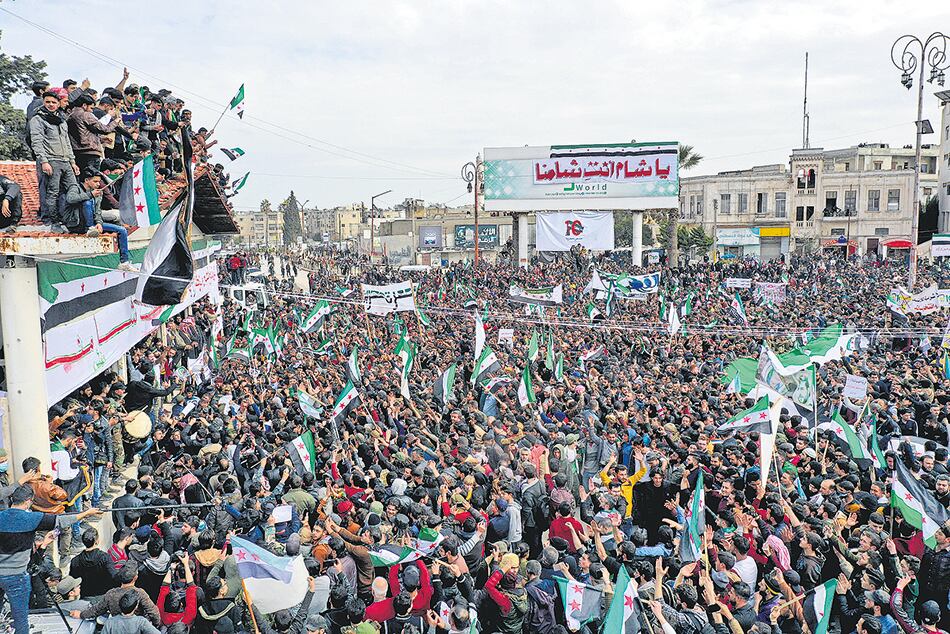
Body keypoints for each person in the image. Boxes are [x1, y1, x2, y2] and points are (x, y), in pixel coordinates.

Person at [0, 485, 100, 634]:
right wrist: (85, 513)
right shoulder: (31, 518)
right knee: (20, 619)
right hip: (17, 578)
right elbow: (61, 521)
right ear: (28, 502)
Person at [63, 168, 135, 271]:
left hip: (93, 224)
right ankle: (90, 228)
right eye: (95, 181)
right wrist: (90, 195)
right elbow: (70, 198)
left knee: (122, 230)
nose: (98, 184)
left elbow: (97, 212)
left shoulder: (97, 193)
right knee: (87, 202)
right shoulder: (75, 187)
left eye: (99, 181)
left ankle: (124, 262)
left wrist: (99, 223)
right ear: (87, 180)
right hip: (77, 223)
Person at [28, 90, 79, 229]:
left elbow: (67, 142)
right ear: (43, 102)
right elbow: (36, 142)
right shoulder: (38, 119)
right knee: (52, 193)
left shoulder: (62, 120)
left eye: (54, 102)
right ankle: (54, 222)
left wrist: (72, 161)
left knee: (73, 189)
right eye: (48, 102)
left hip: (65, 161)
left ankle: (71, 220)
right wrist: (44, 161)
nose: (51, 105)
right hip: (51, 160)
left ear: (58, 104)